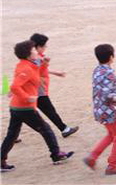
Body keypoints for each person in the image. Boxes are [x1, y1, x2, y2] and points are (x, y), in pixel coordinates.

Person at [1, 40, 74, 172]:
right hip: (25, 108)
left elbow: (38, 74)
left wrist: (45, 64)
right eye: (33, 50)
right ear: (28, 55)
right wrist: (27, 97)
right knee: (46, 130)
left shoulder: (27, 64)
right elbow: (15, 86)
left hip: (16, 107)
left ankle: (1, 161)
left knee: (12, 135)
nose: (36, 51)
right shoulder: (26, 68)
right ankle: (56, 154)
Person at [83, 44, 116, 175]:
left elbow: (106, 87)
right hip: (111, 111)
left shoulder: (98, 70)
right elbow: (107, 95)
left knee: (111, 135)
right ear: (111, 57)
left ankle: (92, 157)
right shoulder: (108, 72)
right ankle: (113, 164)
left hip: (101, 110)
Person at [29, 33, 78, 138]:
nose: (45, 47)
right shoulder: (36, 59)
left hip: (35, 90)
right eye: (44, 46)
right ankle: (64, 129)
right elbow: (35, 72)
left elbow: (41, 71)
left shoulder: (35, 57)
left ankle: (13, 136)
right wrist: (44, 65)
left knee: (21, 113)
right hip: (37, 91)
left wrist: (56, 73)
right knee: (49, 111)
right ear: (38, 47)